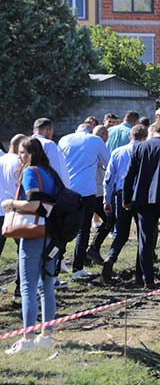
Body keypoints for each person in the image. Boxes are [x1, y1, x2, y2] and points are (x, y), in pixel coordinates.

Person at [2, 138, 59, 353]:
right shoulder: (50, 173)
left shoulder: (30, 172)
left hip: (34, 232)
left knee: (28, 286)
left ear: (31, 154)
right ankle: (46, 335)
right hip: (52, 233)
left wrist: (11, 204)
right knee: (47, 285)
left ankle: (27, 338)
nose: (20, 156)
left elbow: (33, 204)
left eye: (23, 152)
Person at [123, 122, 160, 288]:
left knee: (145, 240)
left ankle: (147, 278)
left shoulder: (139, 148)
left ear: (151, 132)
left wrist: (127, 198)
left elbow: (129, 175)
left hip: (142, 199)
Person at [58, 122, 110, 280]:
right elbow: (108, 162)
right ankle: (77, 268)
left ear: (76, 130)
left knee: (62, 228)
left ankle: (57, 261)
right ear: (90, 130)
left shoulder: (64, 139)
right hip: (86, 191)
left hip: (66, 190)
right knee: (83, 229)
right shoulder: (95, 140)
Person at [100, 124, 148, 283]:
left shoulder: (117, 152)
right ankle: (140, 273)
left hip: (121, 194)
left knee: (121, 233)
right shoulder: (146, 151)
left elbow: (108, 178)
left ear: (130, 136)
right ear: (145, 137)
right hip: (141, 195)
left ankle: (111, 257)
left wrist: (107, 200)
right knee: (143, 235)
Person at [85, 125, 110, 265]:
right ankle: (93, 248)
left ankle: (85, 255)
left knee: (84, 225)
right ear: (104, 135)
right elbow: (109, 166)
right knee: (110, 220)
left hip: (88, 190)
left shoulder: (86, 148)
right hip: (97, 191)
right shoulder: (99, 148)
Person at [0, 135, 26, 260]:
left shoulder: (1, 159)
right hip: (15, 210)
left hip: (1, 208)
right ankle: (21, 273)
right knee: (23, 249)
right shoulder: (19, 162)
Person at [31, 118, 70, 188]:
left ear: (34, 130)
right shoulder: (48, 144)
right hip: (48, 187)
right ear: (47, 131)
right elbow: (55, 168)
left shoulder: (25, 142)